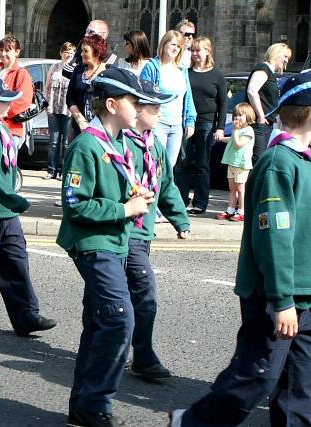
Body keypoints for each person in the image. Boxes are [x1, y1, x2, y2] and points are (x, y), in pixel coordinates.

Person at [169, 68, 311, 427]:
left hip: (305, 294)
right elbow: (274, 239)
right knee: (256, 376)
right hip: (276, 296)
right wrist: (282, 300)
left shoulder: (303, 162)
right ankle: (191, 423)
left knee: (301, 386)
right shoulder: (279, 163)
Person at [58, 68, 157, 426]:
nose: (140, 108)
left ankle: (83, 403)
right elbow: (76, 204)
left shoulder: (115, 144)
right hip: (93, 242)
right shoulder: (87, 145)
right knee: (119, 321)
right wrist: (124, 209)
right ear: (112, 104)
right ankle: (96, 402)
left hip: (115, 239)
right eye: (135, 102)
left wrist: (134, 195)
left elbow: (110, 189)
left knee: (100, 323)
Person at [0, 76, 57, 335]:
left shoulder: (0, 128)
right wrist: (12, 198)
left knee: (16, 264)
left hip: (7, 212)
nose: (10, 104)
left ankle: (26, 316)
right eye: (4, 100)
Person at [123, 80, 190, 383]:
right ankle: (142, 355)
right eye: (155, 107)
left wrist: (180, 219)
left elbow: (166, 186)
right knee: (142, 293)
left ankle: (112, 348)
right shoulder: (119, 144)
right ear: (137, 109)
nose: (161, 112)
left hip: (143, 233)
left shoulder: (155, 146)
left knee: (121, 296)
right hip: (124, 232)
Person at [174, 36, 227, 214]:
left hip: (207, 121)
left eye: (199, 50)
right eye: (193, 50)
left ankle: (200, 202)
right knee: (183, 162)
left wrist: (220, 127)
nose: (195, 53)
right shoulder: (185, 73)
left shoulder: (217, 75)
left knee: (202, 164)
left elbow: (222, 103)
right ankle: (181, 199)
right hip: (187, 121)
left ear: (207, 52)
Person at [140, 30, 196, 167]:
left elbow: (187, 97)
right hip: (158, 123)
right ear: (164, 45)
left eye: (178, 46)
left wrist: (190, 121)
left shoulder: (182, 70)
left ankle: (163, 189)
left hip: (177, 125)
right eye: (172, 44)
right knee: (155, 163)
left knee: (169, 166)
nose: (175, 48)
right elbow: (143, 95)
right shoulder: (152, 67)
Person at [245, 42, 291, 164]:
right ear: (276, 54)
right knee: (257, 161)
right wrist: (260, 115)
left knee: (260, 160)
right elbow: (252, 91)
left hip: (264, 124)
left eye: (288, 58)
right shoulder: (263, 69)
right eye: (285, 56)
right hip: (257, 124)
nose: (286, 61)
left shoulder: (269, 73)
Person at [215, 102, 256, 222]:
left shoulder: (248, 131)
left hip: (241, 164)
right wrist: (222, 139)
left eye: (240, 115)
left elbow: (238, 144)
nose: (237, 118)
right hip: (232, 162)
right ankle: (230, 209)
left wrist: (236, 131)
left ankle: (242, 211)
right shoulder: (237, 131)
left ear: (248, 116)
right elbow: (232, 140)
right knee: (232, 188)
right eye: (235, 116)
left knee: (240, 188)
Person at [0, 36, 34, 141]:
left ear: (17, 52)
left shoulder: (21, 73)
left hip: (10, 129)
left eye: (8, 50)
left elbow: (22, 101)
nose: (3, 53)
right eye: (1, 50)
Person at [43, 42, 76, 180]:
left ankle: (65, 171)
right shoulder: (55, 67)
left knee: (67, 143)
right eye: (66, 51)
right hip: (53, 108)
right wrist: (46, 104)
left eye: (71, 52)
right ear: (61, 53)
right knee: (54, 142)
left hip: (68, 110)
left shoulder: (75, 69)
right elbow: (47, 86)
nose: (68, 54)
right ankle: (51, 170)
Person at [66, 34, 108, 137]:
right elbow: (70, 97)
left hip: (102, 129)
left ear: (97, 52)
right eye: (82, 51)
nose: (81, 54)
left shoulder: (109, 71)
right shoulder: (78, 70)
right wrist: (80, 120)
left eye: (86, 51)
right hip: (78, 128)